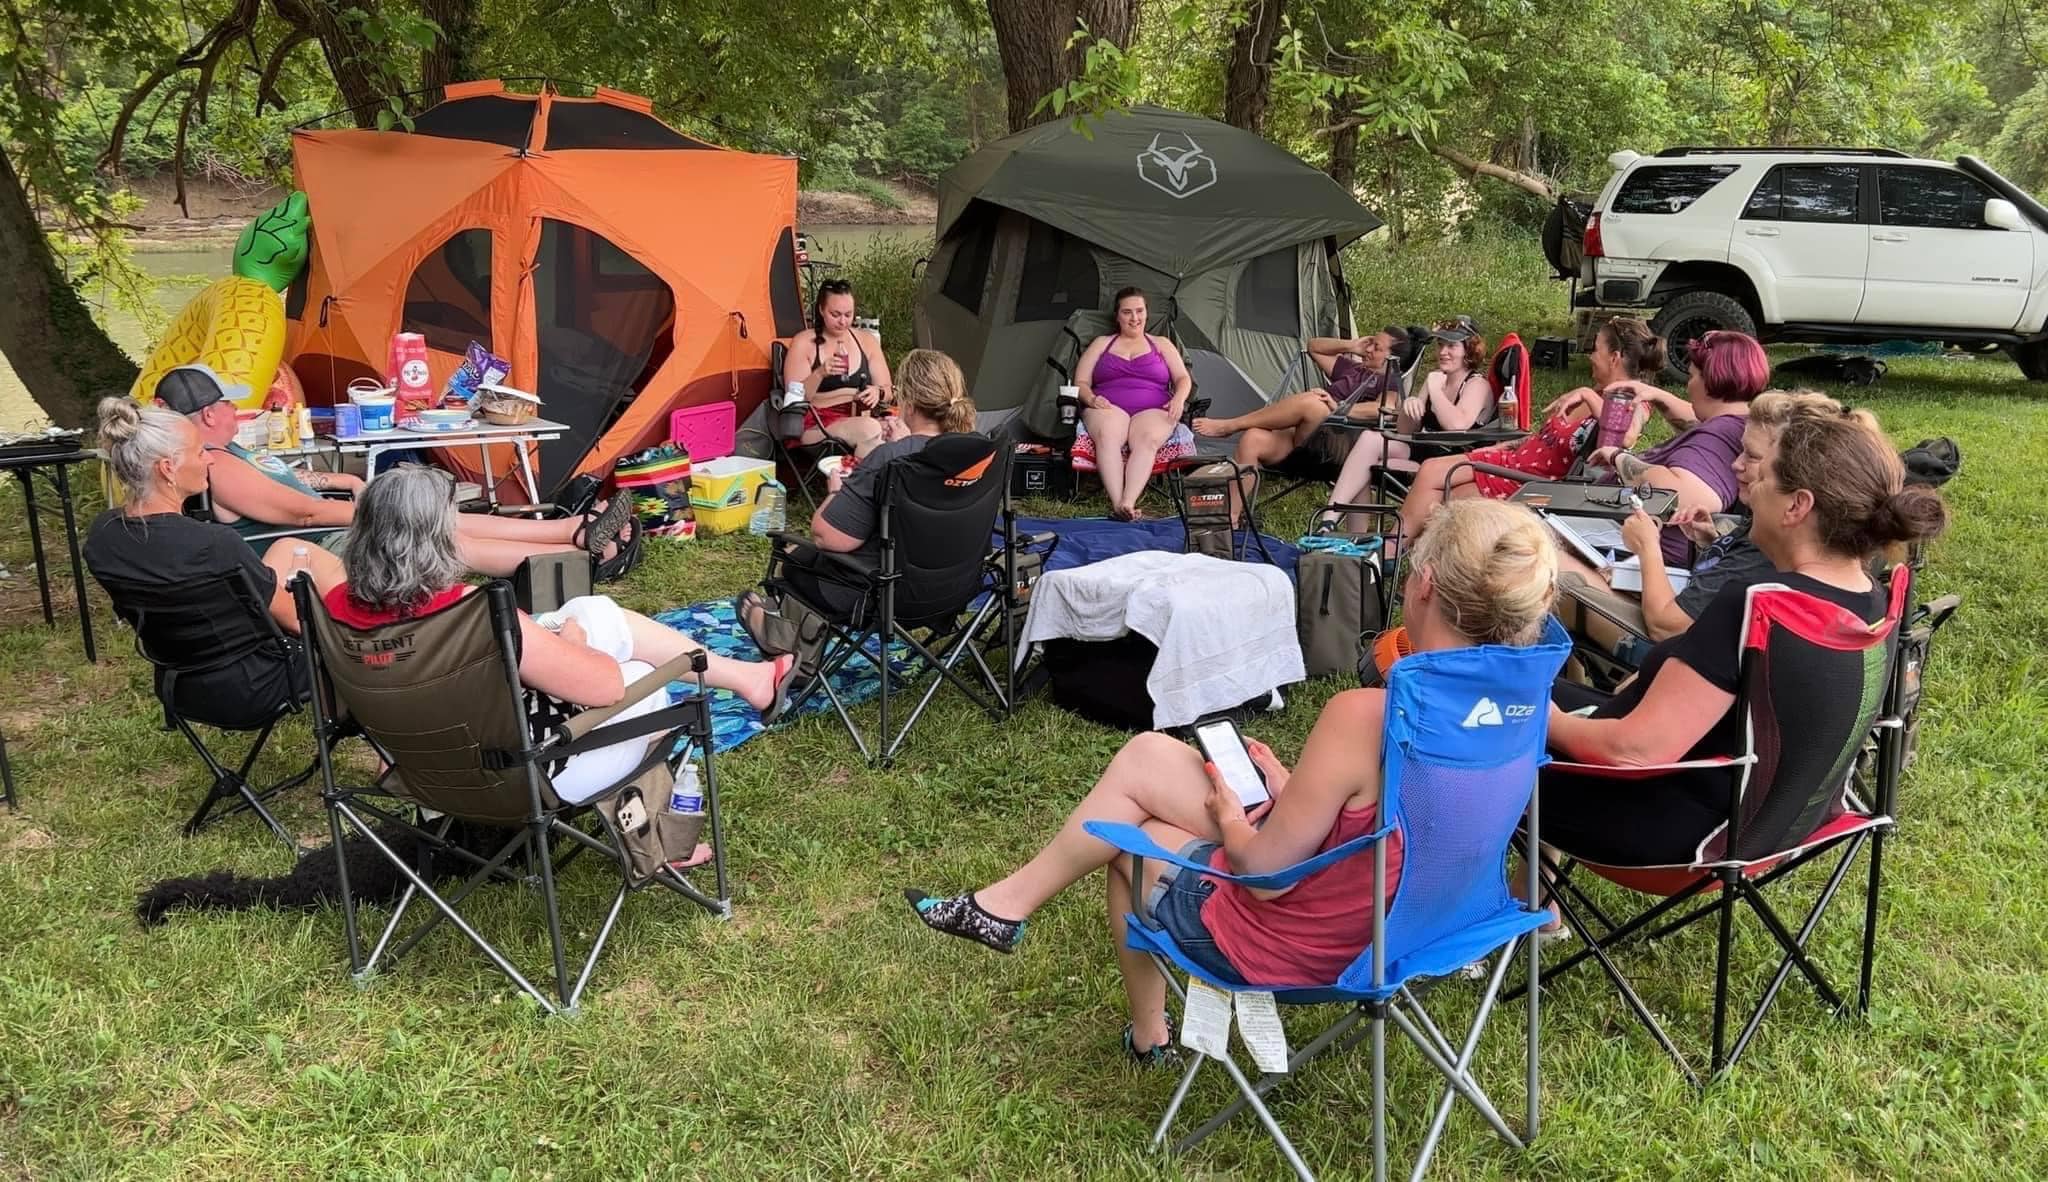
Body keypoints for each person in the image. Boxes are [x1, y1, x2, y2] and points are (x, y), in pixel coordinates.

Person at [903, 498, 1559, 1065]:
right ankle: (1005, 906)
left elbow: (1267, 878)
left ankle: (1145, 1033)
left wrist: (1229, 814)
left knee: (1133, 843)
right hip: (1431, 927)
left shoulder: (1367, 715)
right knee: (1149, 760)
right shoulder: (1524, 706)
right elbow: (1410, 817)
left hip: (1318, 946)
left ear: (1424, 585)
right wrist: (1292, 786)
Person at [1539, 400, 1948, 871]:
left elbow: (1632, 752)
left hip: (1660, 823)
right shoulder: (1869, 601)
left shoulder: (1758, 608)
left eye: (1763, 476)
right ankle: (1537, 901)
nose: (1748, 488)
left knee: (1461, 722)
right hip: (1768, 826)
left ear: (1798, 505)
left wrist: (1542, 721)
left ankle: (1474, 915)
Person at [326, 466, 800, 806]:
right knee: (634, 669)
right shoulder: (473, 617)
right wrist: (571, 639)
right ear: (440, 541)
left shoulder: (334, 611)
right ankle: (655, 833)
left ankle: (749, 678)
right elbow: (607, 687)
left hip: (421, 766)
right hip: (519, 777)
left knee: (593, 610)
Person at [153, 364, 632, 576]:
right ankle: (578, 554)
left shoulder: (229, 449)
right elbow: (299, 514)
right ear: (211, 413)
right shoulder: (216, 465)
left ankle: (573, 530)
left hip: (329, 528)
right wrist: (378, 511)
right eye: (228, 404)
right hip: (313, 552)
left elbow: (294, 485)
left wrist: (341, 480)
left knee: (439, 513)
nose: (237, 410)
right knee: (440, 535)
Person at [1398, 329, 1770, 565]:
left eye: (1691, 377)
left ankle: (1400, 562)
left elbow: (1684, 494)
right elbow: (1693, 417)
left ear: (1711, 381)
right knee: (1447, 490)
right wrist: (1656, 393)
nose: (1687, 386)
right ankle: (1404, 561)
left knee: (1456, 500)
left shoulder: (1719, 436)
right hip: (1594, 514)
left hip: (1606, 532)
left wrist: (1621, 458)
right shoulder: (1731, 424)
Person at [84, 398, 349, 726]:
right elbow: (299, 623)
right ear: (168, 468)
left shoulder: (103, 538)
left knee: (289, 548)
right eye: (199, 452)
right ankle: (378, 729)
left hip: (180, 684)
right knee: (349, 630)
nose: (209, 459)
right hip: (256, 683)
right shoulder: (212, 545)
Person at [782, 348, 980, 620]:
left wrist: (836, 493)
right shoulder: (977, 451)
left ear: (907, 403)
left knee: (794, 560)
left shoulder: (892, 457)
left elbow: (826, 537)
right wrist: (902, 444)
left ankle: (789, 648)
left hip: (881, 594)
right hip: (953, 589)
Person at [1190, 326, 1412, 523]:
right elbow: (1314, 347)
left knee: (1313, 403)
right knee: (1253, 439)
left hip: (1336, 447)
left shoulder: (1391, 379)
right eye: (1371, 342)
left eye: (1378, 347)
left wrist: (1339, 406)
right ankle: (1230, 518)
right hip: (1306, 441)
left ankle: (1230, 426)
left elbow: (1385, 409)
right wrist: (1352, 345)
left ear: (1392, 358)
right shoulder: (1353, 369)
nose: (1370, 349)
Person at [1316, 316, 1495, 528]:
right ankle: (1330, 523)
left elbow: (1457, 425)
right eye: (1440, 345)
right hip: (1424, 452)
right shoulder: (1436, 378)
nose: (1443, 352)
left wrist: (1435, 390)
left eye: (1452, 346)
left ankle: (1351, 535)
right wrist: (1410, 408)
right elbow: (1405, 431)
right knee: (1368, 441)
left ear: (1469, 350)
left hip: (1454, 463)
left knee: (1365, 460)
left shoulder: (1477, 385)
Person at [1072, 287, 1194, 521]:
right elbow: (1081, 382)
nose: (1134, 318)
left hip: (1154, 408)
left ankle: (1129, 501)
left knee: (1147, 440)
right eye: (1127, 312)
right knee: (1108, 435)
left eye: (1139, 311)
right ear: (1117, 316)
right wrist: (1091, 399)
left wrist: (1179, 398)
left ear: (1147, 313)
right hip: (1107, 405)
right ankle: (1118, 503)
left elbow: (1183, 378)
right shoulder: (1102, 343)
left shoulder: (1162, 344)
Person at [781, 277, 897, 458]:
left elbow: (889, 390)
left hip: (861, 414)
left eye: (848, 314)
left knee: (900, 430)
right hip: (817, 422)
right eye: (835, 314)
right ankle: (862, 484)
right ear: (821, 310)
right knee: (870, 429)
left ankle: (882, 482)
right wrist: (820, 373)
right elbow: (795, 399)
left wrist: (878, 392)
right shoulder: (804, 342)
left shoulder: (866, 341)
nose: (843, 321)